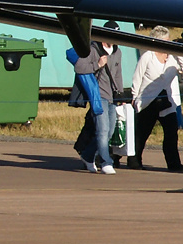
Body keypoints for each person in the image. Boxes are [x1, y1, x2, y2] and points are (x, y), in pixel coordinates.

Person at [130, 27, 182, 171]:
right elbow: (137, 77)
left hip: (167, 102)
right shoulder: (148, 56)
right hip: (148, 100)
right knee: (142, 133)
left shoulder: (173, 57)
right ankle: (134, 160)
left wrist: (179, 54)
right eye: (165, 41)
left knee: (171, 133)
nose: (168, 43)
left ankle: (174, 164)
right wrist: (135, 97)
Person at [74, 25, 124, 174]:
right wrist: (98, 64)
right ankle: (106, 162)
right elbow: (79, 67)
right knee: (102, 131)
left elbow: (117, 74)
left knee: (108, 133)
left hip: (112, 97)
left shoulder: (118, 52)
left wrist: (121, 94)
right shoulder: (93, 49)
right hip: (98, 96)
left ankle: (87, 156)